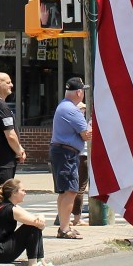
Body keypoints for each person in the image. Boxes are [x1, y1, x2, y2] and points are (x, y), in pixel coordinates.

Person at [0, 178, 61, 266]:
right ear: (14, 193)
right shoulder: (10, 209)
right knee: (31, 227)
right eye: (23, 190)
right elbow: (37, 224)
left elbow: (33, 218)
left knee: (33, 225)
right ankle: (32, 265)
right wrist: (40, 219)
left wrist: (40, 216)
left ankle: (42, 262)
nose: (25, 193)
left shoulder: (6, 205)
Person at [50, 77, 92, 240]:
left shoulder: (64, 106)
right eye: (83, 91)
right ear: (79, 92)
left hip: (62, 152)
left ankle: (64, 225)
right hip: (66, 153)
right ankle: (65, 228)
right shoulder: (72, 110)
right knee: (70, 191)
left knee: (64, 191)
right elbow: (86, 135)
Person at [0, 72, 26, 208]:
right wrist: (19, 151)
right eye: (8, 82)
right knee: (2, 202)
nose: (11, 85)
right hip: (2, 163)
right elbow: (10, 135)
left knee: (0, 202)